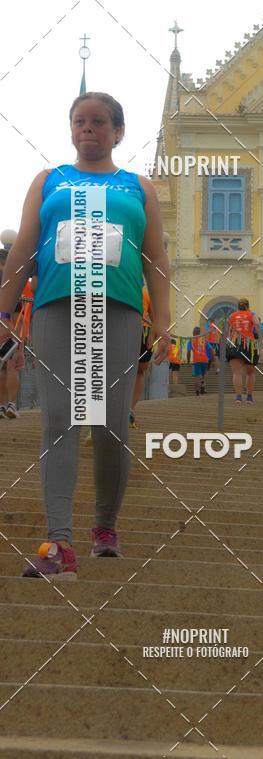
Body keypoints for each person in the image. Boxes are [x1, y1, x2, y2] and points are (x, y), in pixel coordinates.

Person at [0, 92, 170, 578]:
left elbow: (156, 258)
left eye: (98, 122)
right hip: (57, 306)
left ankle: (105, 529)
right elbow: (23, 251)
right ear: (71, 130)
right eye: (79, 121)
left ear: (118, 132)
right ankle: (59, 543)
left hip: (118, 310)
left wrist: (162, 320)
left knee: (110, 425)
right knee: (60, 420)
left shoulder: (138, 186)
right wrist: (4, 310)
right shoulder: (48, 180)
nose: (88, 129)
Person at [0, 249, 30, 419]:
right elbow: (18, 317)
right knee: (11, 367)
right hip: (8, 330)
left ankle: (1, 406)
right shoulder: (10, 284)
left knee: (2, 369)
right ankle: (11, 404)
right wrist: (20, 345)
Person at [227, 298, 262, 405]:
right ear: (247, 306)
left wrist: (229, 338)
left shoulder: (232, 315)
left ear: (238, 306)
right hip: (249, 344)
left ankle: (238, 397)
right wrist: (260, 339)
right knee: (250, 373)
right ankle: (249, 397)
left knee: (237, 373)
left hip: (235, 343)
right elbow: (257, 324)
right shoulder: (252, 314)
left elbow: (227, 329)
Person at [129, 284, 153, 428]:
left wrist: (151, 336)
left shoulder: (145, 294)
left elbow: (154, 317)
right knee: (138, 372)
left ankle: (129, 410)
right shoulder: (144, 293)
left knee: (139, 371)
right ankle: (128, 409)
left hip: (140, 331)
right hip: (139, 330)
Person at [187, 326, 213, 394]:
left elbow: (188, 352)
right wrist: (212, 359)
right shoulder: (204, 340)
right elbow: (211, 350)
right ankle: (203, 385)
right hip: (205, 360)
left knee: (197, 376)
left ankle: (197, 391)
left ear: (193, 333)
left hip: (196, 361)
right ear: (199, 333)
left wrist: (188, 362)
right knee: (206, 373)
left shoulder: (191, 340)